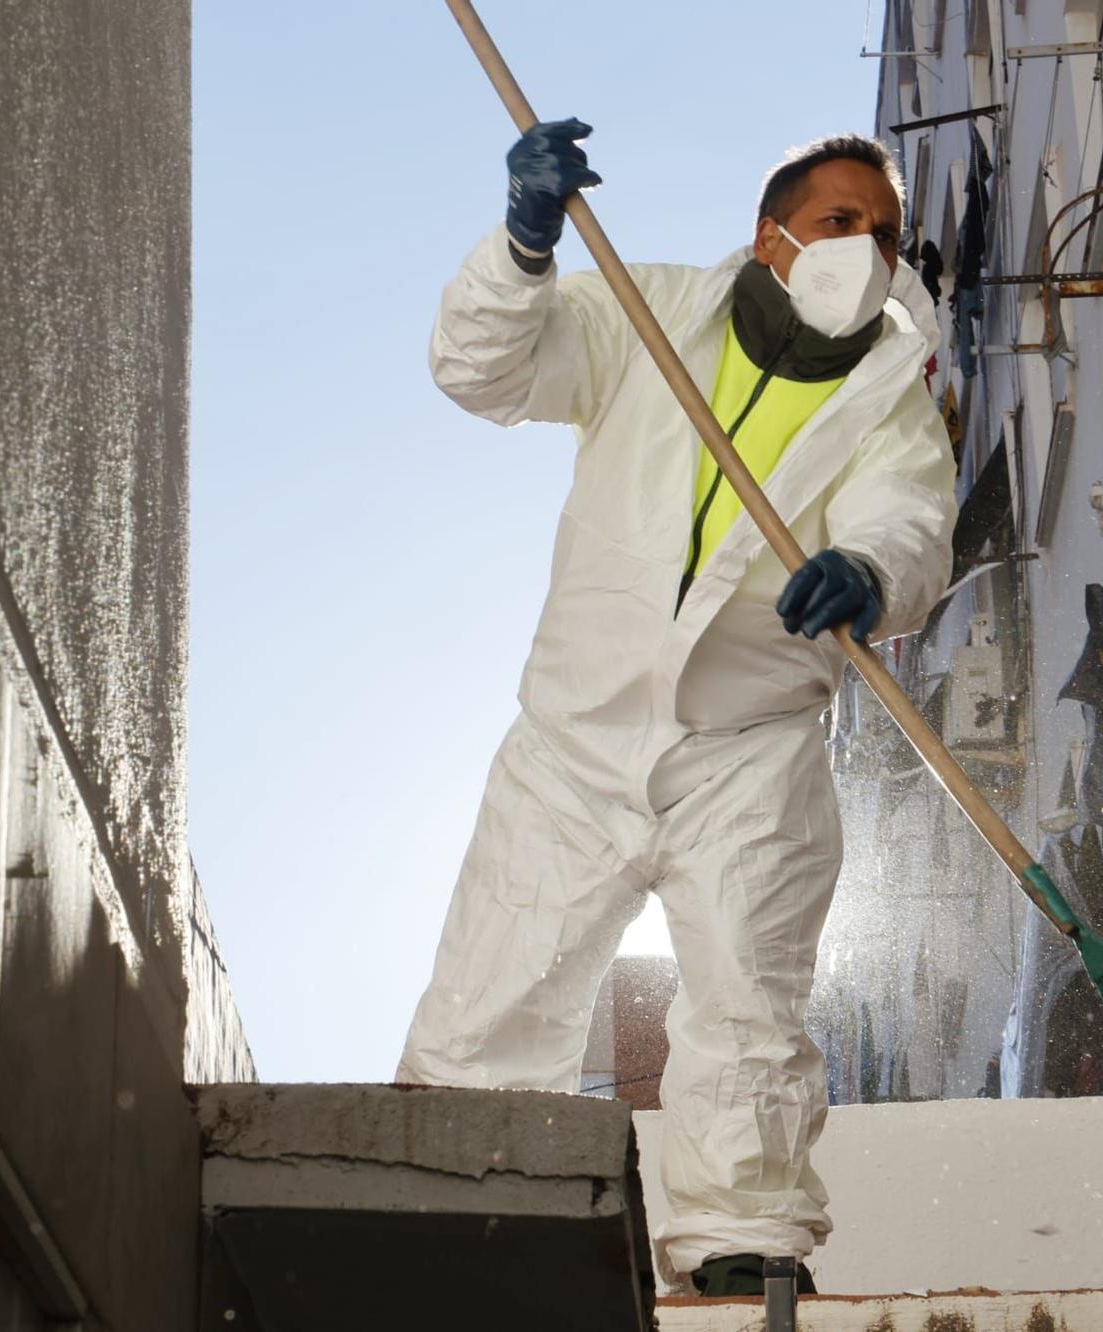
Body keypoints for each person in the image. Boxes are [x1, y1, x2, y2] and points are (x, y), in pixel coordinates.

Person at [398, 119, 956, 1297]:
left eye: (885, 233)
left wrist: (866, 568)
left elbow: (910, 526)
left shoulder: (889, 402)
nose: (865, 246)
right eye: (838, 222)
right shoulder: (639, 320)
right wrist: (523, 246)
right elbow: (482, 371)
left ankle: (737, 1247)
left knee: (749, 998)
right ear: (770, 239)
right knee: (501, 977)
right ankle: (453, 1195)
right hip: (576, 739)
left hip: (748, 750)